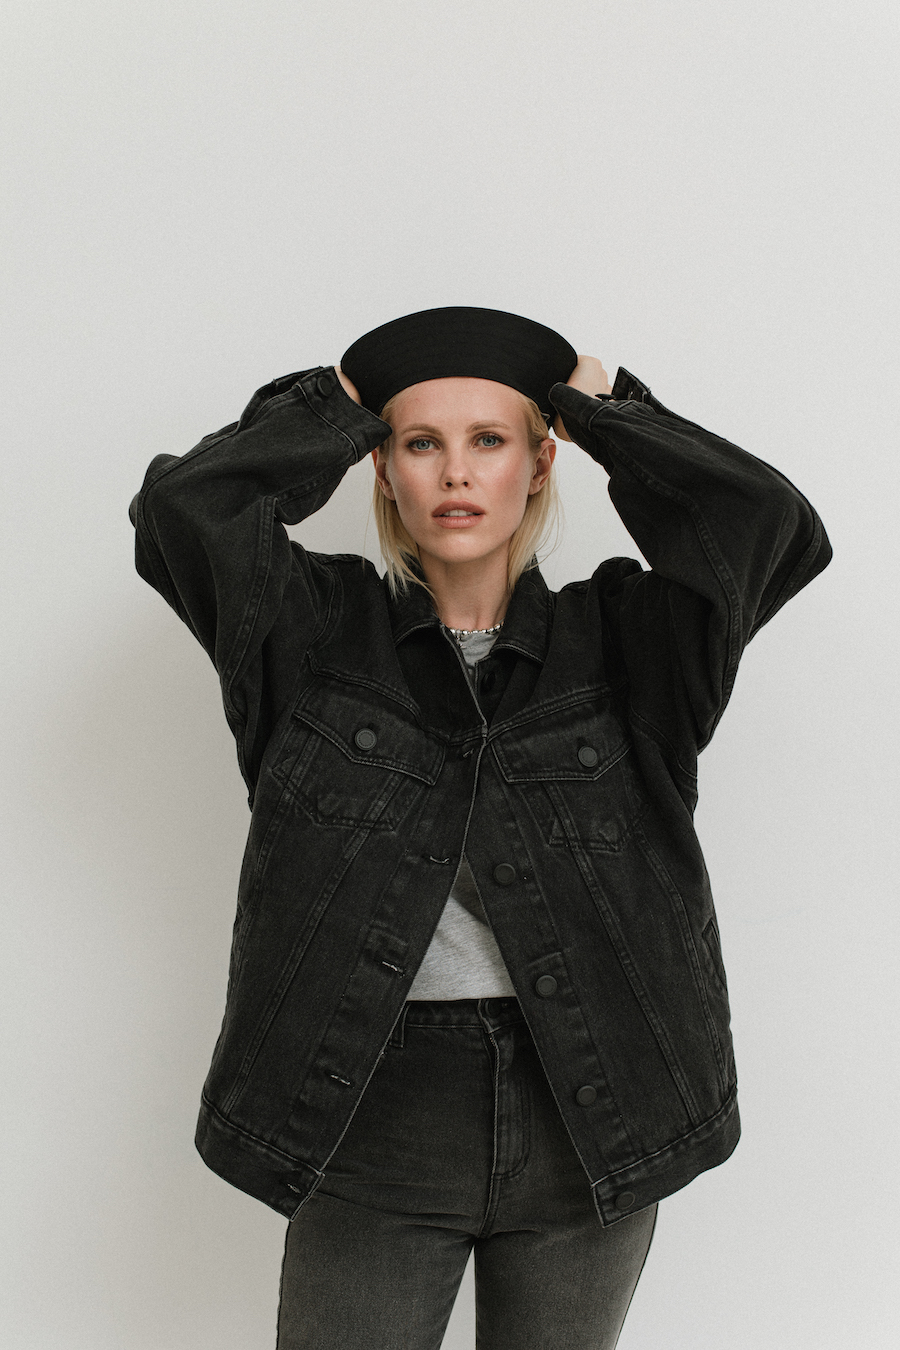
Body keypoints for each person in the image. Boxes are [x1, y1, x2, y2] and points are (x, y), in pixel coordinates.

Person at [130, 306, 832, 1349]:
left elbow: (767, 527)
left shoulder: (632, 640)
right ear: (383, 470)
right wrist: (335, 407)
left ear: (539, 465)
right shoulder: (310, 632)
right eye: (421, 443)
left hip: (592, 1104)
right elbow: (181, 512)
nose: (456, 473)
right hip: (372, 1105)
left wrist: (609, 417)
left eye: (490, 440)